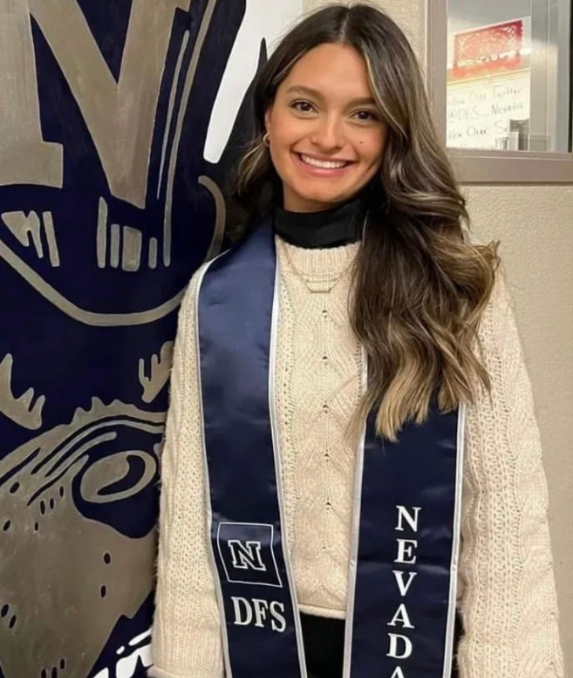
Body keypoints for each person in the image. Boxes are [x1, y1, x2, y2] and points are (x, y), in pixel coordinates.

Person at [149, 4, 565, 678]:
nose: (330, 136)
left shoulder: (455, 288)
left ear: (393, 133)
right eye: (305, 105)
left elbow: (506, 518)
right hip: (261, 646)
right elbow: (194, 521)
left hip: (411, 643)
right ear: (270, 117)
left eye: (364, 114)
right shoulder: (218, 297)